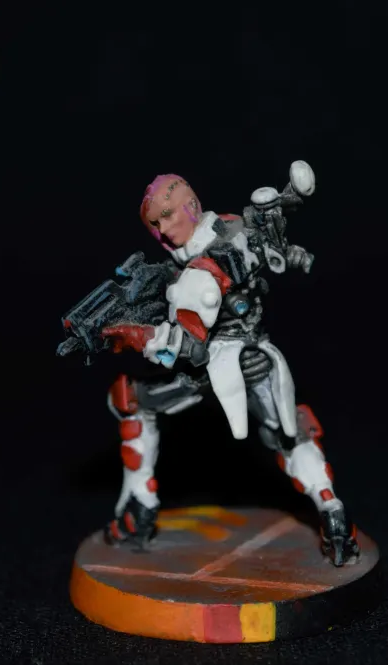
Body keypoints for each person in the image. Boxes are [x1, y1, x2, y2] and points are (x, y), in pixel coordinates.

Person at [99, 170, 361, 566]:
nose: (164, 230)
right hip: (261, 352)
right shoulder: (236, 228)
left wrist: (141, 336)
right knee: (288, 433)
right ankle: (331, 508)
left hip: (216, 367)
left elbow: (187, 347)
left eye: (168, 216)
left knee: (129, 400)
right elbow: (274, 247)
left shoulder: (199, 276)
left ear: (191, 206)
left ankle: (139, 508)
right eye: (154, 223)